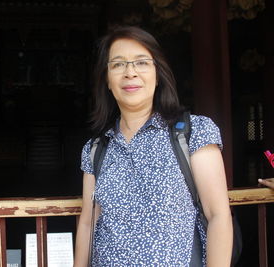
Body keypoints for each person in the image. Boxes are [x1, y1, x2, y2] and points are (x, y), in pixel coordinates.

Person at [74, 26, 233, 266]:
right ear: (107, 80)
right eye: (117, 64)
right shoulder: (97, 148)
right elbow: (88, 222)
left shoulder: (192, 132)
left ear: (158, 75)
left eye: (141, 63)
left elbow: (218, 216)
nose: (130, 73)